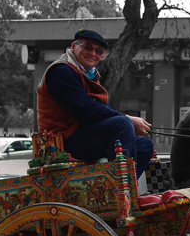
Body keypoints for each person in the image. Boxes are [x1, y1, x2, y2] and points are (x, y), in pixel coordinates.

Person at [36, 29, 154, 179]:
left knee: (144, 145)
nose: (93, 54)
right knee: (122, 124)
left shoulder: (85, 72)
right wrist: (128, 119)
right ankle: (122, 190)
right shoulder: (62, 70)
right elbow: (85, 111)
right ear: (74, 46)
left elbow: (97, 112)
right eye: (88, 47)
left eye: (98, 51)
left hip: (82, 134)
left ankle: (120, 185)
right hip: (62, 140)